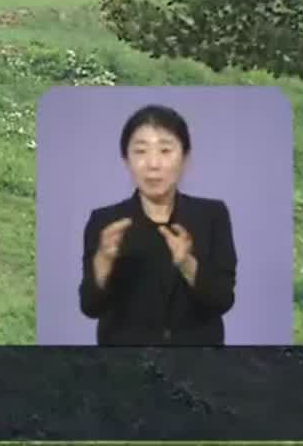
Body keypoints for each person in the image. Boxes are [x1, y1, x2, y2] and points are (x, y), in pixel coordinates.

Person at [77, 104, 237, 344]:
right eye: (140, 151)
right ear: (126, 159)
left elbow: (223, 300)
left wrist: (187, 263)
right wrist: (103, 261)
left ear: (184, 158)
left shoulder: (212, 215)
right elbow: (90, 307)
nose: (153, 164)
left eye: (165, 150)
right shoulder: (105, 222)